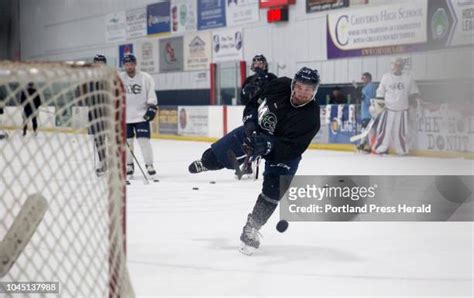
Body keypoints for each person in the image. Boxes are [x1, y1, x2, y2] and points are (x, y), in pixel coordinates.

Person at [188, 67, 321, 255]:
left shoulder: (311, 116)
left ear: (314, 91)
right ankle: (207, 164)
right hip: (256, 133)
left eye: (309, 90)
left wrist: (267, 146)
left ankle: (252, 227)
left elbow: (293, 148)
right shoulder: (279, 85)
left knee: (274, 191)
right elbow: (253, 104)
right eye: (300, 87)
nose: (303, 93)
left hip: (284, 152)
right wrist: (250, 124)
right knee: (211, 158)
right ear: (293, 84)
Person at [119, 54, 158, 180]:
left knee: (144, 142)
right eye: (126, 64)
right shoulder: (119, 78)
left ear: (135, 64)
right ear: (124, 65)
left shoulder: (145, 77)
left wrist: (152, 107)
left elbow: (151, 93)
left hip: (141, 116)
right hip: (125, 117)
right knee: (127, 144)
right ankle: (129, 165)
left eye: (131, 64)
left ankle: (149, 165)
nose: (129, 66)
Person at [238, 54, 277, 177]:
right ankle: (248, 163)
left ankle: (271, 167)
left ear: (265, 65)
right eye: (256, 62)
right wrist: (245, 91)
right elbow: (243, 100)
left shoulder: (272, 77)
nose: (258, 65)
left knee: (270, 138)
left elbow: (278, 93)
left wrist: (264, 82)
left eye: (261, 63)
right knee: (250, 131)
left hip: (268, 109)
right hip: (253, 110)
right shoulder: (249, 80)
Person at [372, 57, 420, 155]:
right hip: (388, 109)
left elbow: (413, 92)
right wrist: (378, 106)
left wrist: (413, 102)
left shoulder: (408, 77)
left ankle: (402, 150)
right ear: (392, 65)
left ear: (402, 66)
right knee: (384, 130)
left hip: (402, 109)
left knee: (401, 132)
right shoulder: (386, 77)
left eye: (399, 64)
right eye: (395, 64)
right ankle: (380, 147)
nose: (397, 66)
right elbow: (380, 91)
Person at [87, 54, 108, 175]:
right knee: (98, 140)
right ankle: (103, 163)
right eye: (96, 62)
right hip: (94, 114)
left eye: (100, 62)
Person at [356, 72, 377, 152]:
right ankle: (363, 143)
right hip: (365, 113)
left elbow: (369, 100)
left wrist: (362, 96)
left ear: (368, 78)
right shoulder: (365, 88)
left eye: (363, 78)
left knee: (369, 129)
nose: (362, 80)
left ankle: (371, 145)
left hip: (369, 113)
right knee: (365, 129)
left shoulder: (371, 86)